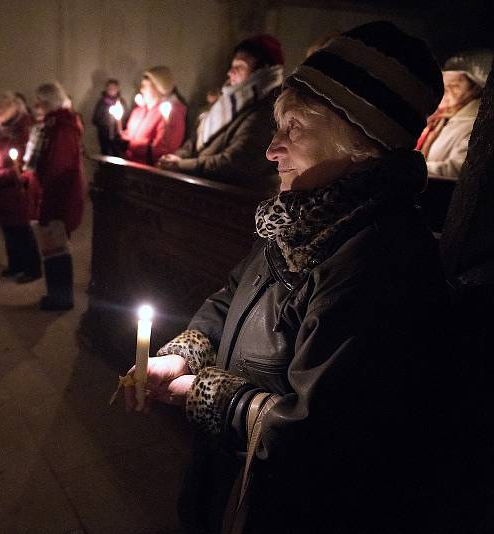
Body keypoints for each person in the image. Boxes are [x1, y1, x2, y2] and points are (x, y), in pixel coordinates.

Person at [122, 21, 450, 533]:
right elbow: (233, 296)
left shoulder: (381, 263)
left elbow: (317, 432)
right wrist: (184, 354)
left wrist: (208, 395)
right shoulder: (301, 216)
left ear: (360, 143)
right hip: (232, 476)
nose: (272, 148)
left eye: (294, 127)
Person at [158, 35, 283, 185]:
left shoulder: (265, 111)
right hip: (203, 187)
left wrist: (181, 164)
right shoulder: (227, 101)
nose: (230, 72)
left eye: (240, 67)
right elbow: (196, 140)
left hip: (232, 198)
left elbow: (237, 164)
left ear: (261, 72)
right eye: (232, 66)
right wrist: (175, 158)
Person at [28, 82, 85, 311]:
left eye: (38, 102)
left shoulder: (62, 129)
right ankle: (56, 295)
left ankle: (61, 299)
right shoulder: (55, 126)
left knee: (58, 252)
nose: (35, 106)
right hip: (52, 198)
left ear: (48, 103)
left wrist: (48, 206)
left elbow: (59, 171)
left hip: (58, 201)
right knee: (53, 250)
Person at [0, 91, 41, 283]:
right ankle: (15, 264)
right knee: (8, 228)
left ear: (12, 108)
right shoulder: (3, 128)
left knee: (21, 229)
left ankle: (32, 268)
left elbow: (21, 165)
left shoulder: (23, 129)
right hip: (3, 188)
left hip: (18, 189)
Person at [418, 48, 492, 179]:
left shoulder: (475, 127)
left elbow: (459, 171)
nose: (443, 93)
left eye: (453, 86)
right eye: (443, 85)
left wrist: (410, 169)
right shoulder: (437, 119)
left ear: (475, 90)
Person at [120, 66, 187, 165]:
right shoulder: (139, 111)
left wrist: (134, 145)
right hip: (129, 166)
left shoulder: (172, 114)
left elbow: (164, 148)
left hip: (148, 171)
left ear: (158, 88)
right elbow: (128, 135)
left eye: (145, 86)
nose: (141, 90)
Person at [92, 79, 127, 156]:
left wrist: (121, 130)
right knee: (105, 154)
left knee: (117, 154)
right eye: (110, 88)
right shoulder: (102, 103)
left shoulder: (121, 103)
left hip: (117, 136)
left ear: (117, 89)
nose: (112, 90)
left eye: (114, 88)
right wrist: (106, 123)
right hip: (104, 135)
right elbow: (95, 119)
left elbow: (125, 119)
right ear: (106, 89)